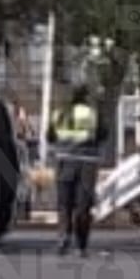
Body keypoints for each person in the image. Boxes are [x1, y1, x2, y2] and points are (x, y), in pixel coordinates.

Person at [48, 85, 107, 256]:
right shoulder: (92, 114)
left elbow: (50, 136)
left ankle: (64, 236)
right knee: (83, 205)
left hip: (64, 161)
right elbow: (103, 134)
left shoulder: (59, 113)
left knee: (64, 203)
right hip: (87, 162)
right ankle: (81, 244)